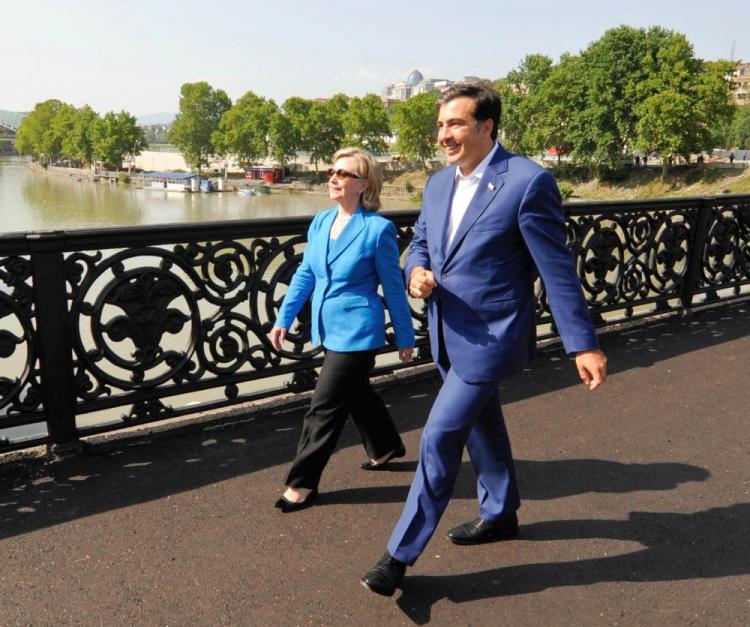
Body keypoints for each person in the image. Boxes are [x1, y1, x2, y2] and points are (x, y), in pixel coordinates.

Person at [361, 83, 607, 595]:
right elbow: (421, 245)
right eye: (440, 125)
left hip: (491, 335)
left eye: (454, 124)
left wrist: (582, 343)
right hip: (445, 332)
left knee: (439, 435)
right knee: (483, 426)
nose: (443, 135)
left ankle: (397, 557)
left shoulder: (527, 181)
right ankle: (500, 513)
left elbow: (555, 269)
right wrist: (416, 271)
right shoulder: (435, 184)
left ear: (486, 126)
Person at [268, 147, 415, 513]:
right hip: (325, 324)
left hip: (358, 329)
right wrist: (284, 318)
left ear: (364, 184)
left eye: (344, 173)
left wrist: (406, 336)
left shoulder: (378, 229)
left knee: (325, 405)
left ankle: (301, 484)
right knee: (356, 393)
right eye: (333, 171)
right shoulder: (320, 221)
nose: (333, 177)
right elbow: (306, 274)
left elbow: (393, 286)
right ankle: (385, 446)